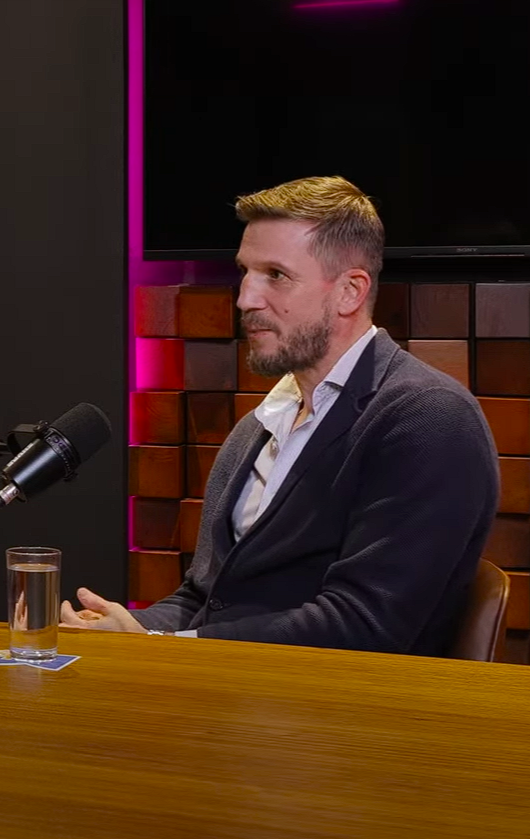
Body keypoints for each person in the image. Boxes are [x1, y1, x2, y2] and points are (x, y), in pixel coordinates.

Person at [62, 176, 498, 653]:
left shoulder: (429, 419)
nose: (246, 298)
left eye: (276, 275)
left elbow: (364, 625)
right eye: (245, 272)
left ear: (350, 291)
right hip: (235, 696)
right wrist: (128, 630)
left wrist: (165, 647)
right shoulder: (261, 422)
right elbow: (204, 599)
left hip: (342, 716)